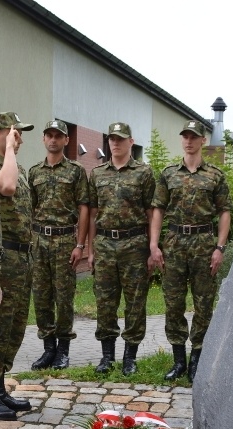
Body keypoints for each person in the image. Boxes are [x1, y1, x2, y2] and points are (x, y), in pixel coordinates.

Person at [149, 120, 233, 382]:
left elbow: (225, 211)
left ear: (202, 141)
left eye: (194, 136)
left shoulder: (215, 175)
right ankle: (178, 361)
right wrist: (154, 244)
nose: (189, 140)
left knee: (203, 303)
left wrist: (219, 247)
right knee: (173, 303)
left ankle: (197, 358)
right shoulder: (168, 173)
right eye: (185, 135)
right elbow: (158, 209)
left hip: (203, 243)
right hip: (174, 242)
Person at [88, 122, 155, 376]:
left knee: (135, 302)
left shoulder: (144, 173)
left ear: (131, 142)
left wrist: (151, 247)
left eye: (120, 139)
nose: (115, 143)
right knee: (105, 302)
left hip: (134, 244)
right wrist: (91, 250)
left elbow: (151, 212)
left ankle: (130, 357)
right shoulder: (97, 173)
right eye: (112, 139)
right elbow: (94, 214)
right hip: (105, 244)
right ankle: (107, 357)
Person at [0, 112, 34, 416]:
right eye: (15, 132)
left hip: (22, 259)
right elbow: (6, 188)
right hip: (2, 259)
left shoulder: (17, 167)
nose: (20, 139)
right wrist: (9, 152)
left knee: (14, 328)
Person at [28, 119, 89, 370]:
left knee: (64, 297)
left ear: (66, 140)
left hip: (65, 240)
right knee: (41, 297)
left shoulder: (75, 171)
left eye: (58, 136)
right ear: (44, 139)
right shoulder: (34, 172)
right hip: (39, 240)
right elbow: (30, 208)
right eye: (49, 135)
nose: (53, 139)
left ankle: (63, 350)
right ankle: (48, 349)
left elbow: (84, 208)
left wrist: (80, 245)